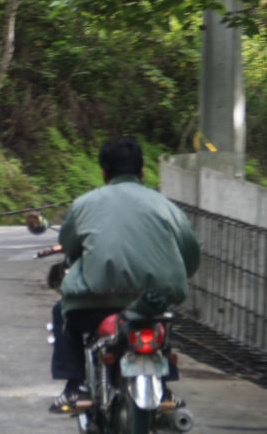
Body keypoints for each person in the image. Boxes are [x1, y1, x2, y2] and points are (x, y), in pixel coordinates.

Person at [49, 137, 201, 413]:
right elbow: (191, 254)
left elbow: (70, 246)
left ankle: (75, 388)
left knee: (63, 311)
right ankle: (164, 388)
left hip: (95, 304)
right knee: (162, 322)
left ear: (104, 173)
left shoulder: (84, 204)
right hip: (152, 302)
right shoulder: (167, 207)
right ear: (142, 173)